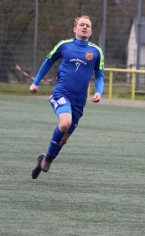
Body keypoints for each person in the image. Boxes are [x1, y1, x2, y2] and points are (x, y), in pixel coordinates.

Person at [29, 15, 104, 179]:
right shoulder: (64, 45)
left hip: (79, 101)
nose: (84, 27)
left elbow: (99, 75)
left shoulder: (96, 51)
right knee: (65, 123)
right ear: (75, 29)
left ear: (91, 31)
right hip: (61, 93)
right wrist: (36, 82)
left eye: (87, 26)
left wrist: (99, 91)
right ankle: (47, 158)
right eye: (81, 25)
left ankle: (44, 158)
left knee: (63, 139)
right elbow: (47, 62)